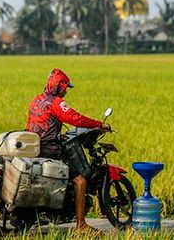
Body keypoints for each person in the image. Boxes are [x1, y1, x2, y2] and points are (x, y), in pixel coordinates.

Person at [26, 68, 111, 235]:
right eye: (65, 87)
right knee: (80, 181)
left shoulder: (36, 100)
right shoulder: (56, 102)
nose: (66, 91)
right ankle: (81, 226)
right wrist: (99, 124)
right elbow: (75, 118)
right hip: (51, 149)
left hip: (36, 147)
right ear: (59, 86)